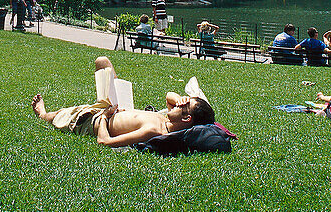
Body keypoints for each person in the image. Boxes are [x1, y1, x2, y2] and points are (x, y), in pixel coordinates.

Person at [31, 57, 215, 148]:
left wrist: (104, 118)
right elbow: (169, 95)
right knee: (102, 61)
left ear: (186, 119)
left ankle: (42, 113)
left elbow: (105, 142)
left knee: (55, 116)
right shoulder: (167, 121)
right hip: (116, 105)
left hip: (92, 120)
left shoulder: (155, 130)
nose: (177, 104)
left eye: (182, 105)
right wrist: (181, 100)